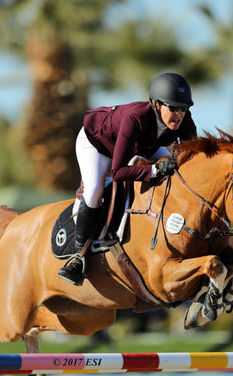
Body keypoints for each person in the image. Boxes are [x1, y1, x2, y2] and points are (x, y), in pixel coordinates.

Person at [58, 72, 198, 286]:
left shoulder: (184, 122)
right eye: (173, 108)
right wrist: (156, 170)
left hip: (142, 146)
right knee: (95, 189)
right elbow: (118, 172)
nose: (179, 114)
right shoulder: (135, 118)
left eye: (183, 108)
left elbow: (195, 159)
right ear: (157, 105)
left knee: (177, 172)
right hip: (97, 143)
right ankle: (78, 256)